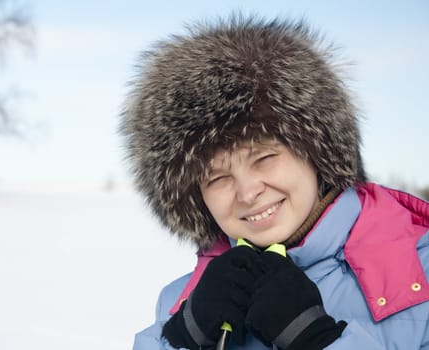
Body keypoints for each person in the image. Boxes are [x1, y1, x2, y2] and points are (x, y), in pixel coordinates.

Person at [120, 14, 429, 350]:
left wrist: (315, 340)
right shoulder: (182, 300)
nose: (248, 192)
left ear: (316, 151)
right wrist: (180, 338)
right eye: (218, 178)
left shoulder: (420, 270)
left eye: (264, 158)